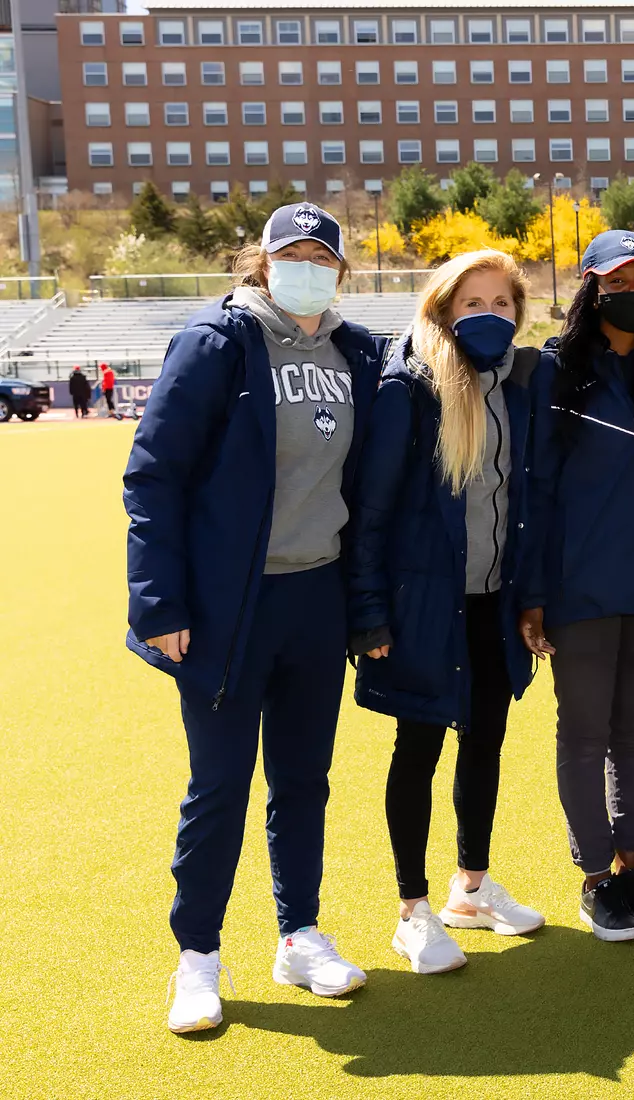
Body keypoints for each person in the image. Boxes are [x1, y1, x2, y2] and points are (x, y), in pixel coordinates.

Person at [126, 203, 382, 1034]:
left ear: (340, 271)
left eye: (321, 255)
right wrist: (159, 602)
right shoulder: (217, 343)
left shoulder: (355, 352)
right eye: (290, 253)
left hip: (317, 595)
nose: (305, 265)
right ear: (262, 264)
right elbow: (153, 476)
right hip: (228, 604)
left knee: (303, 779)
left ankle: (298, 934)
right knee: (220, 784)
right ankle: (197, 956)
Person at [349, 249, 546, 975]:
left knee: (485, 742)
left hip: (492, 605)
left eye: (502, 304)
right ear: (441, 310)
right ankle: (412, 911)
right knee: (419, 749)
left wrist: (530, 598)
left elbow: (521, 506)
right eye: (473, 303)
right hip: (422, 607)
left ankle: (472, 887)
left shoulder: (518, 385)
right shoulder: (409, 388)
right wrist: (369, 614)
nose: (488, 316)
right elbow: (371, 513)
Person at [517, 231, 634, 943]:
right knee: (586, 736)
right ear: (590, 288)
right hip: (581, 591)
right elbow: (535, 495)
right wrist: (532, 592)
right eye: (620, 281)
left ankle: (629, 868)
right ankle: (593, 877)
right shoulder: (553, 376)